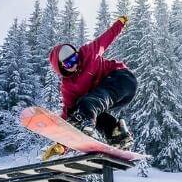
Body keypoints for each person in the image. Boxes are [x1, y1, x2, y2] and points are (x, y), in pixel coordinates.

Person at [41, 15, 138, 160]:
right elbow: (67, 114)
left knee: (88, 104)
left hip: (122, 79)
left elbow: (106, 38)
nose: (74, 64)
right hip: (114, 97)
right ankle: (117, 133)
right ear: (61, 68)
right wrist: (62, 144)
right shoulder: (68, 87)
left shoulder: (88, 52)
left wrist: (120, 23)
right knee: (80, 108)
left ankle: (86, 121)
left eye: (74, 58)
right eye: (68, 64)